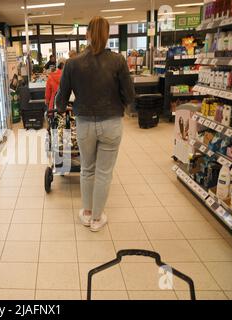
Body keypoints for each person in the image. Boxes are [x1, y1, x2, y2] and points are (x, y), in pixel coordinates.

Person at [55, 16, 135, 232]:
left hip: (84, 124)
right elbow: (129, 95)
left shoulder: (72, 63)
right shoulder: (118, 61)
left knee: (87, 169)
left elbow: (61, 97)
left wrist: (60, 110)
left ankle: (87, 212)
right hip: (111, 123)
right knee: (103, 173)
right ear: (108, 35)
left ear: (87, 34)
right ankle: (97, 219)